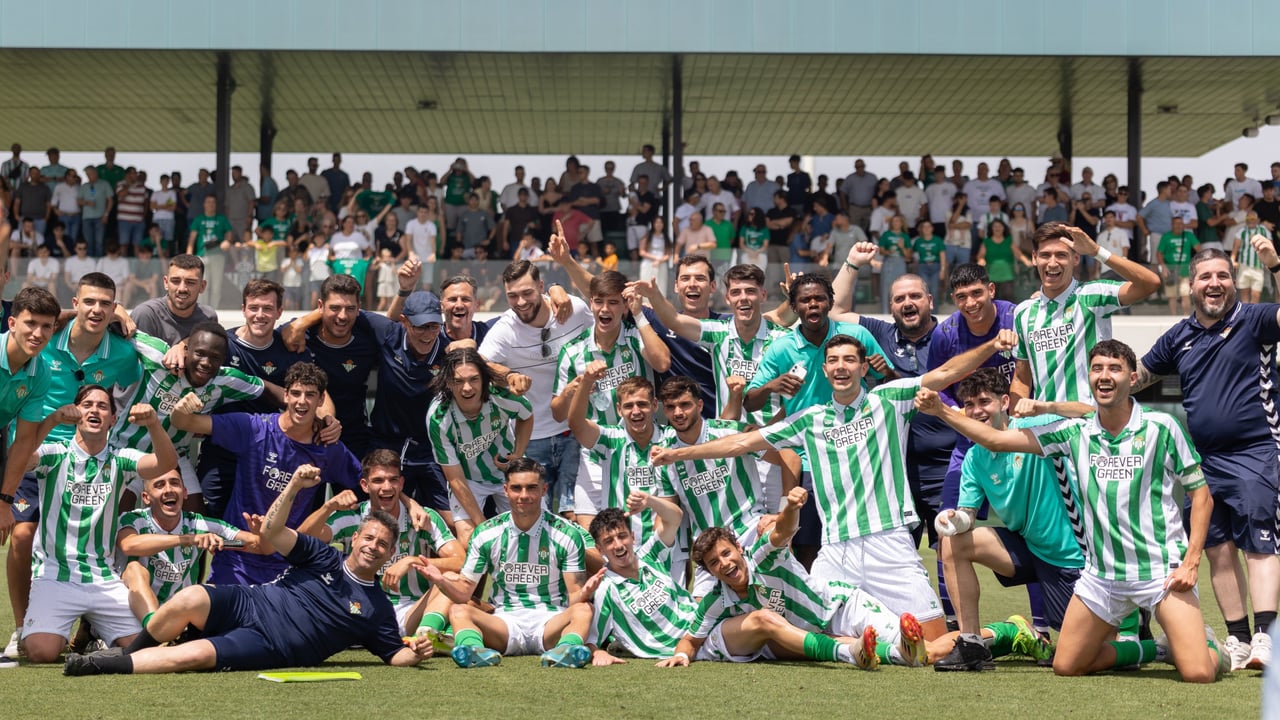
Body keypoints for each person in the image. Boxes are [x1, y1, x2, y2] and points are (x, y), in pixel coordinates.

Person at [655, 331, 1015, 641]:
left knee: (933, 640)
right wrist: (680, 454)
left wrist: (992, 346)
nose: (840, 366)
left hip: (886, 539)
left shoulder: (889, 399)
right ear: (824, 369)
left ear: (862, 367)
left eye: (849, 360)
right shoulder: (809, 420)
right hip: (835, 549)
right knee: (812, 636)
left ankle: (1006, 633)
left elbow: (947, 372)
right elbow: (740, 444)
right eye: (833, 361)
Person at [918, 340, 1228, 683]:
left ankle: (1206, 647)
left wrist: (1191, 562)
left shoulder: (1161, 427)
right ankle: (1156, 647)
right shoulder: (1071, 434)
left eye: (1114, 369)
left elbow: (1201, 494)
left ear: (1133, 376)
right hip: (1099, 575)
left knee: (1198, 672)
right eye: (1097, 369)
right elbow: (994, 442)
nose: (1104, 376)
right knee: (1067, 665)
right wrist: (943, 412)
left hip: (1153, 571)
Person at [63, 462, 434, 675]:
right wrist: (293, 486)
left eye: (382, 545)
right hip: (251, 602)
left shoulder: (377, 609)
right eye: (368, 538)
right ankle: (131, 652)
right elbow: (271, 533)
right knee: (190, 596)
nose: (373, 546)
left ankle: (99, 667)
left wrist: (414, 652)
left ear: (389, 555)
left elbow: (393, 654)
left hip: (272, 645)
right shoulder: (323, 556)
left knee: (194, 657)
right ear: (355, 539)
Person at [1136, 243, 1280, 671]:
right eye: (1206, 277)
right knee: (1217, 549)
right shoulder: (1179, 336)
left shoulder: (1254, 320)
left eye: (1222, 275)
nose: (1214, 283)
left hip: (1257, 451)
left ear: (1233, 281)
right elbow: (1140, 374)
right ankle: (1237, 638)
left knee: (1259, 545)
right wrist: (1104, 384)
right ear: (1192, 285)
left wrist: (1274, 264)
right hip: (1204, 462)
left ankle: (1266, 638)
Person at [663, 488, 929, 669]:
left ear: (739, 548)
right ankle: (899, 653)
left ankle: (966, 639)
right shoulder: (715, 600)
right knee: (903, 654)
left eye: (726, 553)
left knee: (930, 651)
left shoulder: (763, 557)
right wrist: (680, 655)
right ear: (710, 573)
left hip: (841, 608)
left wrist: (790, 507)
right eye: (714, 563)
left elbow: (783, 530)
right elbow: (690, 640)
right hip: (810, 637)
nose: (724, 564)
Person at [933, 369, 1082, 670]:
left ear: (1004, 402)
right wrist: (955, 520)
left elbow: (1091, 414)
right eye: (970, 405)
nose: (977, 411)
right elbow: (969, 514)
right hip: (1027, 548)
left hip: (1071, 556)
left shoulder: (1034, 426)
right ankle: (971, 643)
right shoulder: (974, 458)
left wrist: (1047, 406)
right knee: (952, 544)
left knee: (1082, 653)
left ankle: (1140, 635)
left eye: (984, 402)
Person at [21, 386, 177, 664]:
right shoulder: (55, 454)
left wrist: (153, 423)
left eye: (103, 406)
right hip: (55, 574)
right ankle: (81, 627)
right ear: (76, 414)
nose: (94, 410)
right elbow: (20, 457)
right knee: (41, 652)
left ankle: (93, 628)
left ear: (113, 419)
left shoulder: (120, 459)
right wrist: (53, 420)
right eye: (88, 404)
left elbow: (165, 462)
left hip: (102, 577)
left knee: (142, 648)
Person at [168, 362, 359, 585]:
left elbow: (364, 485)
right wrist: (180, 409)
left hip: (288, 565)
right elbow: (184, 422)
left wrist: (335, 508)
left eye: (310, 395)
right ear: (285, 395)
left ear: (321, 400)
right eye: (296, 393)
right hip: (237, 556)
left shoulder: (327, 448)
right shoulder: (255, 427)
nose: (302, 401)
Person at [415, 457, 597, 670]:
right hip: (505, 622)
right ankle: (472, 650)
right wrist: (441, 581)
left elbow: (575, 597)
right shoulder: (486, 533)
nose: (524, 495)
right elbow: (465, 592)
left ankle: (566, 650)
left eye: (531, 488)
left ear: (544, 490)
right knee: (458, 610)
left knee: (584, 610)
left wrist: (586, 591)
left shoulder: (566, 533)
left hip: (550, 621)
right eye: (516, 488)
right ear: (505, 490)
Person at [299, 449, 463, 637]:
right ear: (365, 485)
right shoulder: (353, 517)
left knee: (451, 579)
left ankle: (426, 634)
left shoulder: (422, 518)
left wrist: (412, 561)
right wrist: (328, 507)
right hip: (362, 609)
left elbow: (460, 561)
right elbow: (303, 542)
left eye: (393, 480)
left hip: (413, 612)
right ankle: (444, 633)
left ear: (401, 483)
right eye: (378, 481)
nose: (386, 487)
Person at [551, 271, 671, 524]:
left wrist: (639, 315)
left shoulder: (636, 336)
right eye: (598, 301)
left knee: (640, 533)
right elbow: (557, 413)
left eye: (614, 302)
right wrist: (574, 388)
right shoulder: (573, 352)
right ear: (591, 303)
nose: (605, 309)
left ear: (624, 305)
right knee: (592, 536)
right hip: (594, 456)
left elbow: (662, 363)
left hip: (640, 454)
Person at [479, 257, 591, 516]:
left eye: (527, 293)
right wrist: (508, 375)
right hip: (530, 438)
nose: (520, 302)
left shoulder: (574, 309)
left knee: (576, 515)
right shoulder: (505, 328)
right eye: (512, 296)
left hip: (576, 431)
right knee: (534, 516)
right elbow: (479, 364)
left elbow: (604, 335)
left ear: (541, 286)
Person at [1010, 222, 1160, 405]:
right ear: (1034, 258)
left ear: (1075, 259)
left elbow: (1150, 283)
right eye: (1045, 255)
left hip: (1090, 424)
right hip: (1043, 426)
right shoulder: (1023, 312)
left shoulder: (1092, 295)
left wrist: (1097, 251)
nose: (1052, 262)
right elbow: (1021, 379)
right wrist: (1016, 420)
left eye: (1061, 255)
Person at [0, 288, 66, 664]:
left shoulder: (40, 371)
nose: (38, 333)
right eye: (30, 324)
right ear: (12, 323)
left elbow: (24, 441)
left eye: (46, 326)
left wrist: (4, 502)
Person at [116, 469, 264, 621]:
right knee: (134, 569)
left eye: (175, 483)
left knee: (215, 593)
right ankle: (153, 630)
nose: (168, 490)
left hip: (178, 617)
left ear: (185, 492)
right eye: (159, 485)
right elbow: (128, 545)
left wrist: (263, 533)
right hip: (131, 615)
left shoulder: (199, 524)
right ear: (146, 497)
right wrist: (187, 539)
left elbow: (259, 546)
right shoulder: (133, 519)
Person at [426, 347, 532, 547]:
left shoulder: (501, 396)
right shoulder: (438, 418)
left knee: (532, 531)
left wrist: (518, 454)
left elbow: (526, 416)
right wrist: (481, 525)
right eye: (458, 381)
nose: (467, 388)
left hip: (508, 474)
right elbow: (455, 478)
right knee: (470, 542)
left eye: (474, 379)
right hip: (468, 479)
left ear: (484, 379)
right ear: (448, 382)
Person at [130, 254, 219, 346]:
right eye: (175, 281)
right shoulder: (146, 315)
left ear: (202, 286)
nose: (182, 288)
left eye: (190, 282)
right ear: (166, 283)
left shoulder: (208, 318)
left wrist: (183, 347)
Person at [1157, 216, 1201, 315]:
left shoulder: (1188, 235)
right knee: (1172, 295)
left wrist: (1196, 263)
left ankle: (1186, 316)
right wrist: (1163, 267)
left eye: (1181, 223)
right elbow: (1159, 253)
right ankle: (1173, 316)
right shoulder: (1166, 236)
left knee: (1185, 294)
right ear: (1172, 225)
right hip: (1170, 270)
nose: (1179, 226)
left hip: (1185, 270)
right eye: (1176, 223)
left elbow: (1199, 249)